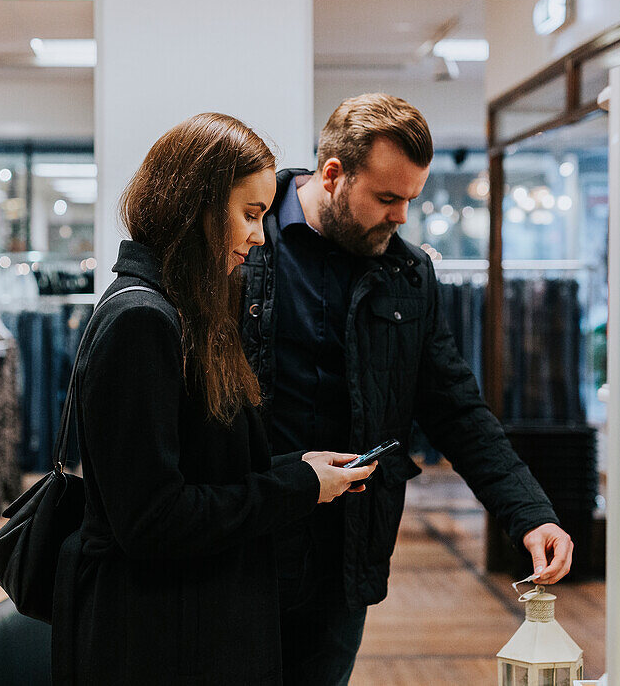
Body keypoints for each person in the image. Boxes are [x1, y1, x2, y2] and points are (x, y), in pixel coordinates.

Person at [239, 93, 573, 685]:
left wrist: (529, 513)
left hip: (345, 554)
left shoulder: (408, 273)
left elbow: (456, 408)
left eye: (410, 201)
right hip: (242, 539)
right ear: (334, 174)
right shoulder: (246, 240)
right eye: (387, 198)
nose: (401, 218)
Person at [51, 112, 377, 685]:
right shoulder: (143, 321)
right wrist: (295, 487)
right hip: (157, 640)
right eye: (250, 214)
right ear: (197, 208)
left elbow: (196, 473)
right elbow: (154, 520)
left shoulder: (182, 311)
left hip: (185, 624)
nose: (259, 234)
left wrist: (295, 468)